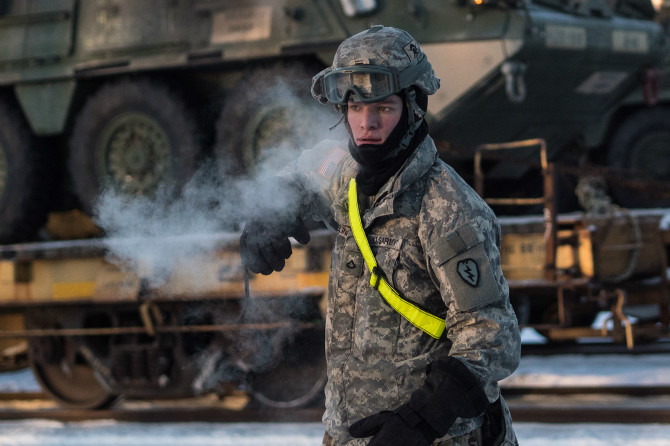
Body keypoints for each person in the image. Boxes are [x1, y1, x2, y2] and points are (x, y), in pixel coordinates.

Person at [240, 25, 521, 446]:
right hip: (350, 433)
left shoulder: (447, 209)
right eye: (354, 108)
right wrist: (268, 213)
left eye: (384, 108)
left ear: (413, 108)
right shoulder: (343, 169)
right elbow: (299, 175)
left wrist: (420, 421)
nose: (366, 124)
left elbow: (492, 336)